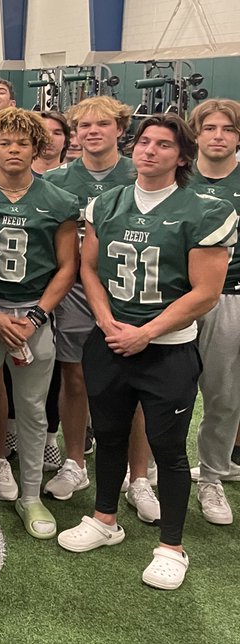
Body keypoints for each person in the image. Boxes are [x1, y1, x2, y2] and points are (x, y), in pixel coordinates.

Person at [58, 115, 236, 591]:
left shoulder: (204, 209)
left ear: (182, 156)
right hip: (111, 340)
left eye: (163, 144)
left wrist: (147, 332)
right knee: (111, 436)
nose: (148, 150)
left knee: (168, 450)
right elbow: (88, 269)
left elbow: (205, 292)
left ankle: (172, 546)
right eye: (144, 142)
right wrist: (105, 320)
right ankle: (104, 519)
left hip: (167, 350)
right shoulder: (107, 202)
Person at [0, 108, 79, 540]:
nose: (13, 150)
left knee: (32, 411)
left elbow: (67, 267)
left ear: (37, 147)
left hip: (33, 315)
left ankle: (30, 495)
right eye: (5, 142)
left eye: (22, 143)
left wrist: (37, 315)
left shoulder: (57, 200)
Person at [45, 96, 136, 504]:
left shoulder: (140, 172)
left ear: (120, 129)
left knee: (133, 383)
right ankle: (75, 462)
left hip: (130, 289)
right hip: (78, 291)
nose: (92, 131)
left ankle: (140, 477)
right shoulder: (59, 180)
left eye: (102, 124)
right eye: (84, 126)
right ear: (75, 135)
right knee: (75, 377)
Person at [186, 99, 240, 525]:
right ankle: (145, 471)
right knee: (163, 391)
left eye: (228, 129)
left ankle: (212, 476)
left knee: (223, 395)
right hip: (174, 296)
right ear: (197, 134)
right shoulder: (176, 176)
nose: (218, 136)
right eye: (210, 128)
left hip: (229, 298)